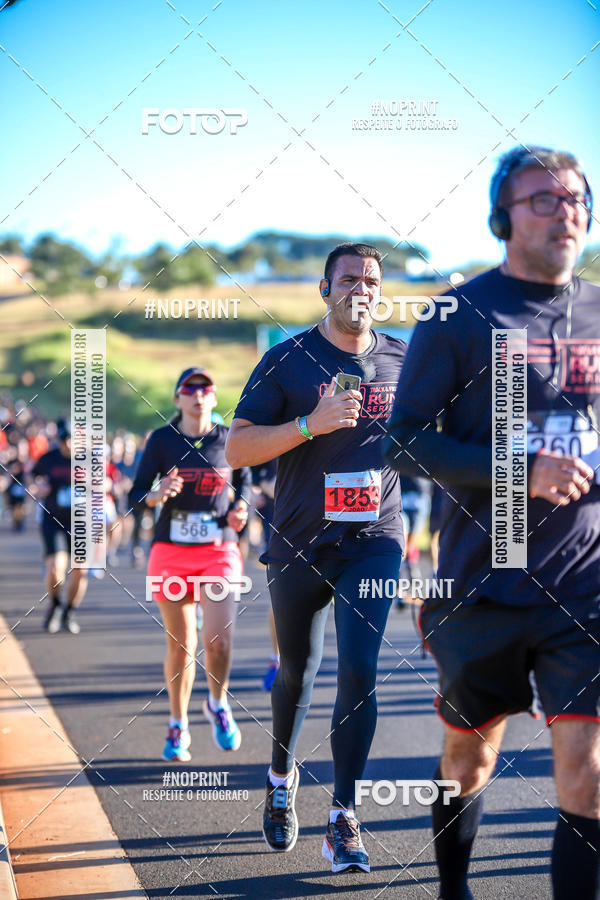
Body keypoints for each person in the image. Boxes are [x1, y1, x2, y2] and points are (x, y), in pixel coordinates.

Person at [384, 146, 600, 900]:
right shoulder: (458, 316)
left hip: (586, 584)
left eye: (575, 197)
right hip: (482, 579)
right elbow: (403, 439)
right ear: (501, 218)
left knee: (588, 770)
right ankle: (453, 891)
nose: (563, 210)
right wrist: (520, 471)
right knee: (467, 759)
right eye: (541, 199)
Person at [226, 242, 406, 873]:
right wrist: (311, 424)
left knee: (360, 669)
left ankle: (343, 819)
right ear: (325, 289)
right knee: (297, 672)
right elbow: (237, 449)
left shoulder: (403, 360)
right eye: (349, 279)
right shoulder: (287, 359)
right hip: (300, 538)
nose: (361, 288)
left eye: (372, 280)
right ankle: (280, 779)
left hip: (374, 539)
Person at [129, 368, 251, 761]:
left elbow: (244, 481)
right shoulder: (162, 440)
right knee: (182, 646)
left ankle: (217, 702)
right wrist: (156, 492)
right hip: (171, 552)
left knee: (219, 641)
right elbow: (134, 495)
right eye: (189, 389)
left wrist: (241, 508)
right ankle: (177, 723)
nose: (198, 395)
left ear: (214, 398)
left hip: (218, 548)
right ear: (178, 399)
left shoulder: (229, 437)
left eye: (205, 389)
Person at [30, 419, 88, 634]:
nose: (70, 444)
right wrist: (38, 486)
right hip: (53, 519)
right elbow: (33, 477)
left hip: (81, 522)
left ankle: (70, 611)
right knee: (56, 569)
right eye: (66, 440)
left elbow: (108, 482)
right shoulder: (49, 459)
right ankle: (55, 604)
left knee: (80, 571)